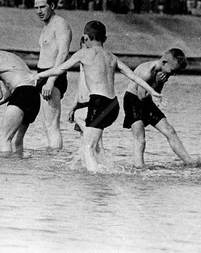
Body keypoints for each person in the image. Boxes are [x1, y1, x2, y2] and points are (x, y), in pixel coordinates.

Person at [35, 21, 161, 172]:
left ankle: (97, 178)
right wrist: (153, 91)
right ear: (105, 39)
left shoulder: (84, 53)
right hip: (113, 106)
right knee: (88, 144)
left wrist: (36, 75)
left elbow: (58, 69)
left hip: (99, 104)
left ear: (85, 38)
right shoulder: (112, 57)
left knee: (88, 147)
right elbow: (134, 77)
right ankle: (95, 170)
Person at [123, 49, 201, 168]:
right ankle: (139, 166)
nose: (173, 74)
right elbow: (142, 97)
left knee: (170, 131)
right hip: (133, 100)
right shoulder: (147, 72)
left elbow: (156, 93)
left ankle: (189, 161)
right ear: (164, 62)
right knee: (140, 138)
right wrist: (157, 82)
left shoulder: (163, 72)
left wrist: (159, 83)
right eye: (172, 71)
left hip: (147, 100)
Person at [34, 0, 72, 151]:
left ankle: (54, 160)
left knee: (52, 124)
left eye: (43, 7)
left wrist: (50, 81)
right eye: (36, 7)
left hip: (54, 76)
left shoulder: (60, 24)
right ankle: (51, 160)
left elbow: (63, 53)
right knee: (47, 123)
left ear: (53, 6)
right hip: (43, 74)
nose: (39, 11)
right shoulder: (47, 26)